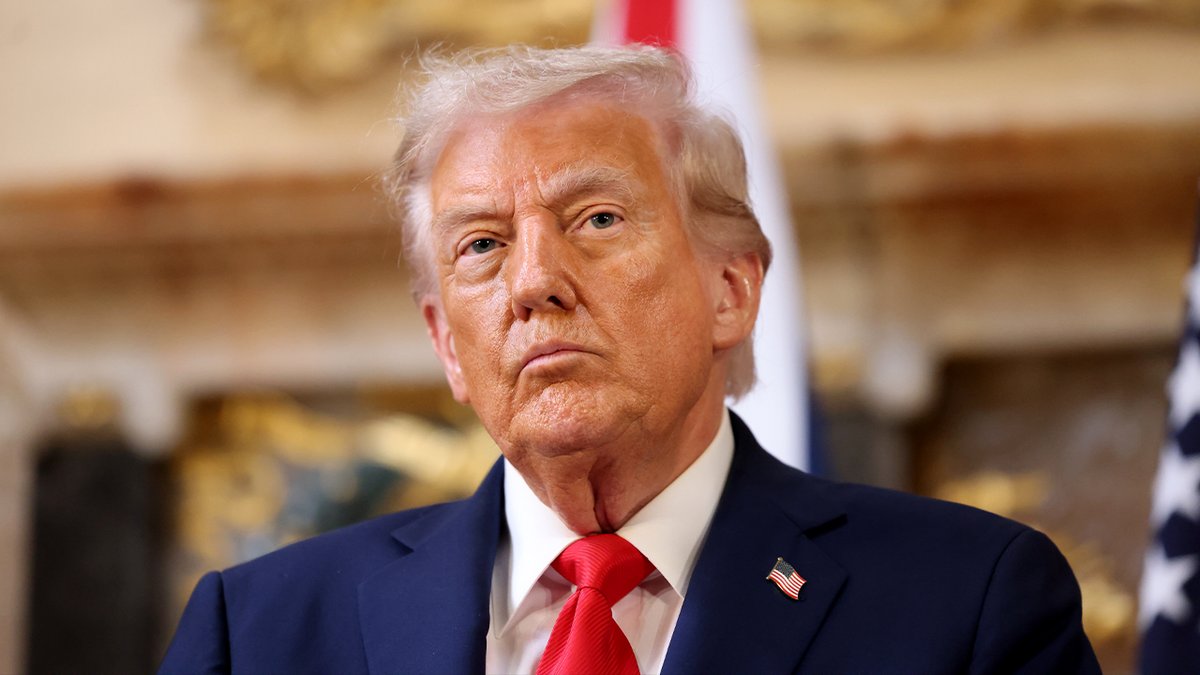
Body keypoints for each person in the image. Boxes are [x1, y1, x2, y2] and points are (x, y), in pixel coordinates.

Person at [160, 45, 1100, 674]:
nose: (534, 282)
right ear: (448, 342)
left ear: (731, 289)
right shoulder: (261, 632)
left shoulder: (969, 603)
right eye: (480, 245)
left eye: (596, 220)